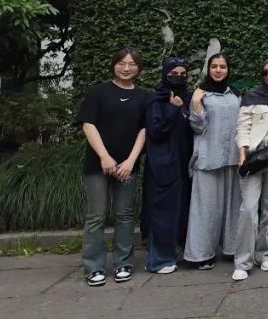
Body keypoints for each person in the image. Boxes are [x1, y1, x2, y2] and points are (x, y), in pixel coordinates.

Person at [77, 48, 148, 287]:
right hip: (98, 165)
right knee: (96, 216)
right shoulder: (99, 92)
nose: (126, 68)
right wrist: (105, 157)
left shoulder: (143, 97)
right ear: (114, 65)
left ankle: (123, 263)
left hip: (128, 166)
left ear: (138, 68)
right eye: (122, 63)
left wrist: (131, 161)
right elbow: (88, 125)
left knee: (124, 215)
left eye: (132, 64)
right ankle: (94, 266)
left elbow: (144, 130)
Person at [232, 58, 268, 281]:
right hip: (254, 156)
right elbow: (242, 127)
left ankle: (264, 254)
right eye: (265, 72)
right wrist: (242, 153)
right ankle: (243, 261)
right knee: (248, 209)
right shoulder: (252, 97)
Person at [183, 53, 242, 270]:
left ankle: (232, 249)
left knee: (233, 207)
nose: (218, 70)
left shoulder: (235, 94)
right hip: (208, 157)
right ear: (208, 69)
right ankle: (201, 254)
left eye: (222, 67)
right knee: (205, 209)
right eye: (214, 66)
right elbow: (197, 127)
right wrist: (196, 104)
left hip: (232, 158)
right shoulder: (200, 94)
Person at [142, 57, 194, 275]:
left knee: (182, 210)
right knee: (162, 212)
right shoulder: (156, 100)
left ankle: (179, 252)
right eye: (173, 74)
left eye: (183, 74)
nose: (178, 78)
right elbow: (155, 131)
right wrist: (172, 109)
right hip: (162, 164)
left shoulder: (189, 98)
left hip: (183, 164)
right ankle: (158, 259)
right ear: (165, 74)